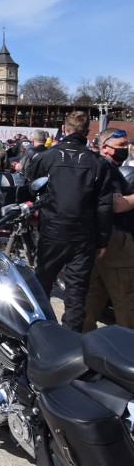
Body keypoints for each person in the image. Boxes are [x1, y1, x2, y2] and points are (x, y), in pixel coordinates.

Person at [26, 111, 114, 332]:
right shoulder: (98, 163)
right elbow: (104, 206)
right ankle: (69, 341)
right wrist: (103, 240)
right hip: (83, 235)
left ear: (64, 129)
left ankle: (41, 334)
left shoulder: (47, 157)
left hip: (53, 231)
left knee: (42, 285)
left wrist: (34, 218)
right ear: (86, 132)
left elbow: (29, 189)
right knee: (76, 292)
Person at [83, 128, 134, 331]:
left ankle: (81, 337)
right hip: (115, 240)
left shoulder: (95, 166)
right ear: (105, 148)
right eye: (121, 145)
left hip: (99, 237)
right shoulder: (107, 169)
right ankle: (127, 348)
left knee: (94, 292)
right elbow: (117, 204)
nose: (126, 149)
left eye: (127, 144)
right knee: (126, 296)